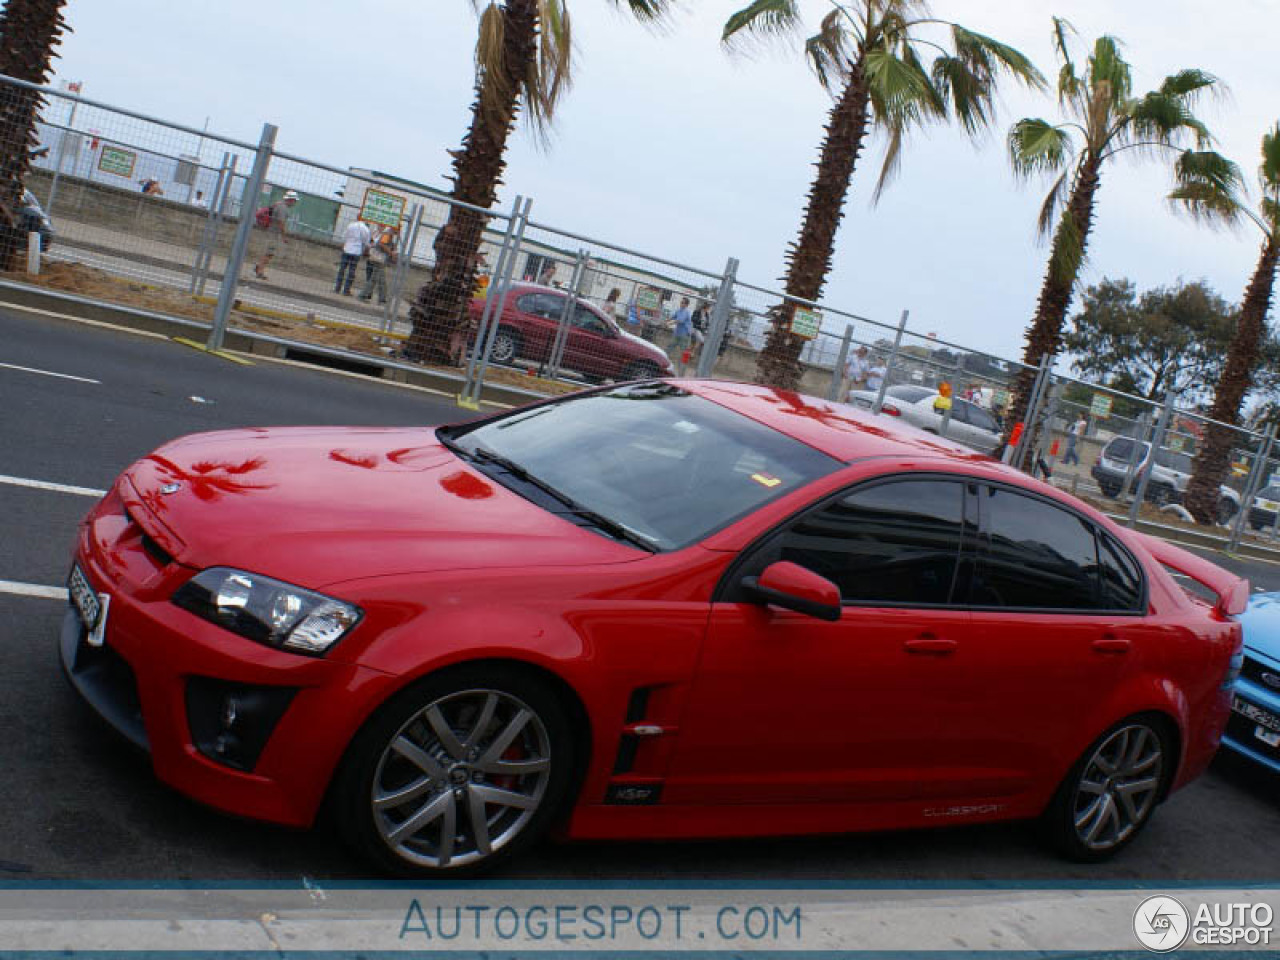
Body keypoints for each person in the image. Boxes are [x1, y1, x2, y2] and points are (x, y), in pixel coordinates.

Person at [252, 189, 297, 280]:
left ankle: (258, 267)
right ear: (291, 200)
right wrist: (284, 236)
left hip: (270, 231)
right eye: (294, 200)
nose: (294, 203)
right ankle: (260, 271)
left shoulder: (278, 204)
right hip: (273, 233)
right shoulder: (283, 208)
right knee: (269, 253)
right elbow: (281, 222)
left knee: (269, 252)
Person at [359, 225, 398, 304]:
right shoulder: (387, 234)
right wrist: (391, 253)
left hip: (380, 260)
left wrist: (393, 250)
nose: (399, 232)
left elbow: (385, 245)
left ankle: (381, 299)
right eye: (398, 230)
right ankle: (364, 295)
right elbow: (381, 244)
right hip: (378, 259)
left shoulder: (389, 235)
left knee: (381, 280)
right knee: (376, 279)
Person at [335, 217, 371, 295]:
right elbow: (367, 244)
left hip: (347, 249)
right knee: (351, 272)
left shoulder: (350, 225)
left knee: (342, 269)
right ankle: (346, 290)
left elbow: (344, 236)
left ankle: (337, 288)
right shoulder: (366, 229)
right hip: (356, 252)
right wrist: (365, 252)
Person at [669, 297, 694, 371]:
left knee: (683, 352)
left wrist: (671, 322)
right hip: (677, 333)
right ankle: (663, 361)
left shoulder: (686, 312)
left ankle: (681, 368)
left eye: (683, 303)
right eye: (681, 302)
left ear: (686, 305)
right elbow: (673, 316)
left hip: (684, 335)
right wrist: (667, 320)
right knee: (670, 347)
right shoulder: (678, 310)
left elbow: (680, 320)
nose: (681, 304)